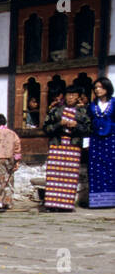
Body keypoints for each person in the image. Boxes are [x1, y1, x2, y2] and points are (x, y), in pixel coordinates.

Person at [42, 84, 91, 211]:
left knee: (69, 177)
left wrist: (76, 125)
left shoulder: (83, 112)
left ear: (78, 97)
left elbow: (88, 129)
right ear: (65, 96)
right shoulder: (55, 111)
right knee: (54, 175)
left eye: (74, 95)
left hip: (73, 147)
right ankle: (52, 205)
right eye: (69, 95)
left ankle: (66, 205)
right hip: (57, 146)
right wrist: (59, 124)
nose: (71, 98)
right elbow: (46, 128)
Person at [88, 76, 114, 209]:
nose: (97, 90)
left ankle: (111, 201)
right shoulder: (92, 105)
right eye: (96, 88)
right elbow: (88, 123)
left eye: (100, 87)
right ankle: (98, 201)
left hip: (111, 140)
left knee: (110, 167)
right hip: (96, 140)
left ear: (107, 88)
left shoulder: (114, 103)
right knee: (96, 168)